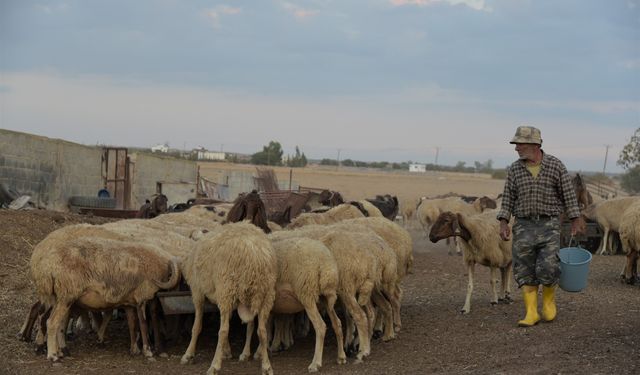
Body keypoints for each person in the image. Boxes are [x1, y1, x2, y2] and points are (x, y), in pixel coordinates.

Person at [496, 125, 584, 327]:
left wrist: (575, 219)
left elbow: (569, 195)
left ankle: (549, 304)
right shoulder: (515, 169)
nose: (516, 148)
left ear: (535, 144)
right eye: (516, 144)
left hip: (549, 225)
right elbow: (508, 196)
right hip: (524, 226)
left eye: (519, 143)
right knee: (524, 268)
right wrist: (503, 222)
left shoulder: (555, 166)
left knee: (548, 266)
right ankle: (531, 312)